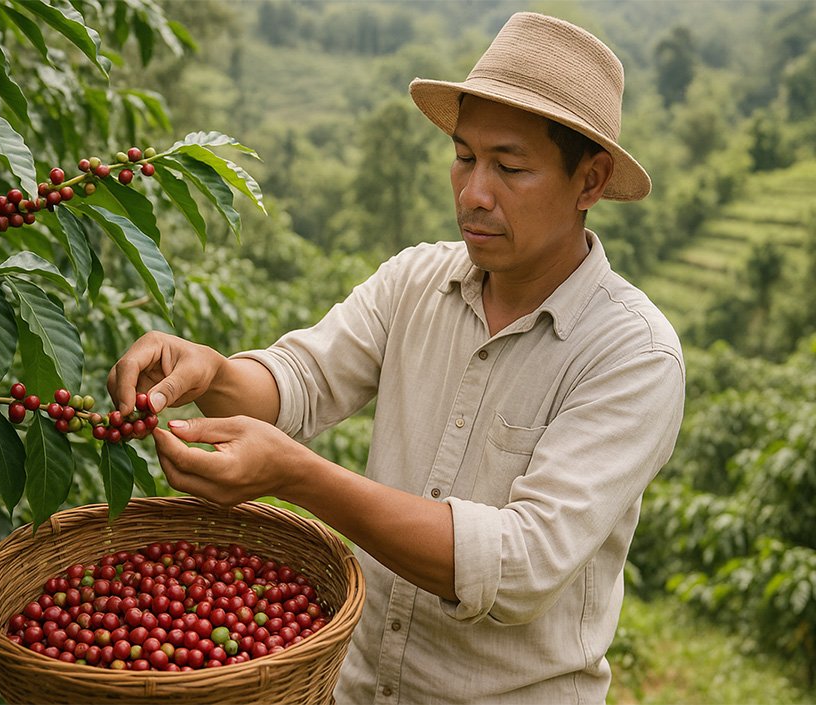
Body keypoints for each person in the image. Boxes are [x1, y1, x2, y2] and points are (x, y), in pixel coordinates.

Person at [107, 11, 685, 704]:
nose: (473, 192)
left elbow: (520, 565)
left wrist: (299, 476)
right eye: (465, 156)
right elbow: (302, 381)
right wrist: (214, 371)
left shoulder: (632, 356)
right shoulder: (415, 282)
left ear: (589, 183)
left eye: (509, 167)